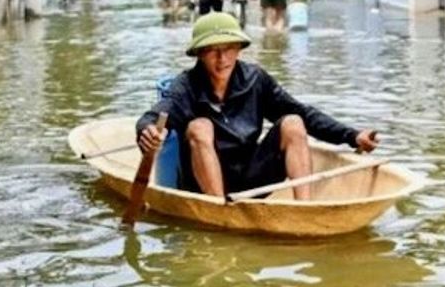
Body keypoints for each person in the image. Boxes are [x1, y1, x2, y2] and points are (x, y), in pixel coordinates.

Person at [136, 12, 378, 200]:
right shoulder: (186, 85)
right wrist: (148, 130)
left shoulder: (255, 79)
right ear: (199, 54)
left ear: (239, 49)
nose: (222, 60)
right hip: (203, 185)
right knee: (199, 126)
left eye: (229, 49)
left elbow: (304, 113)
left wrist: (352, 136)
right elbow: (157, 114)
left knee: (293, 122)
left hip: (251, 177)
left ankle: (304, 208)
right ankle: (218, 210)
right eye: (213, 52)